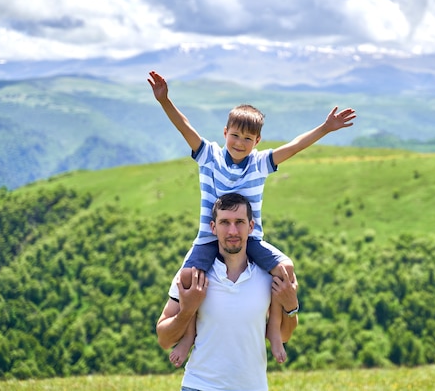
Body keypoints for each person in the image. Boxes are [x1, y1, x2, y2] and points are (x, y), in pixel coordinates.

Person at [148, 70, 355, 365]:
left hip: (250, 239)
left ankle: (273, 333)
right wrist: (164, 101)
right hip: (209, 239)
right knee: (188, 280)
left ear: (257, 140)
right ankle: (188, 337)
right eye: (234, 135)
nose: (240, 142)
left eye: (247, 138)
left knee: (285, 269)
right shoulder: (209, 156)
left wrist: (325, 128)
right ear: (224, 133)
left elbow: (294, 146)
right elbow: (185, 126)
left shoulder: (259, 163)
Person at [156, 193, 299, 391]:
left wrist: (291, 307)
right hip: (199, 385)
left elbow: (284, 335)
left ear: (251, 226)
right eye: (225, 222)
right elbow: (164, 339)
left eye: (239, 222)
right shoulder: (195, 274)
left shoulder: (269, 275)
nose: (232, 230)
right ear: (213, 227)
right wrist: (187, 311)